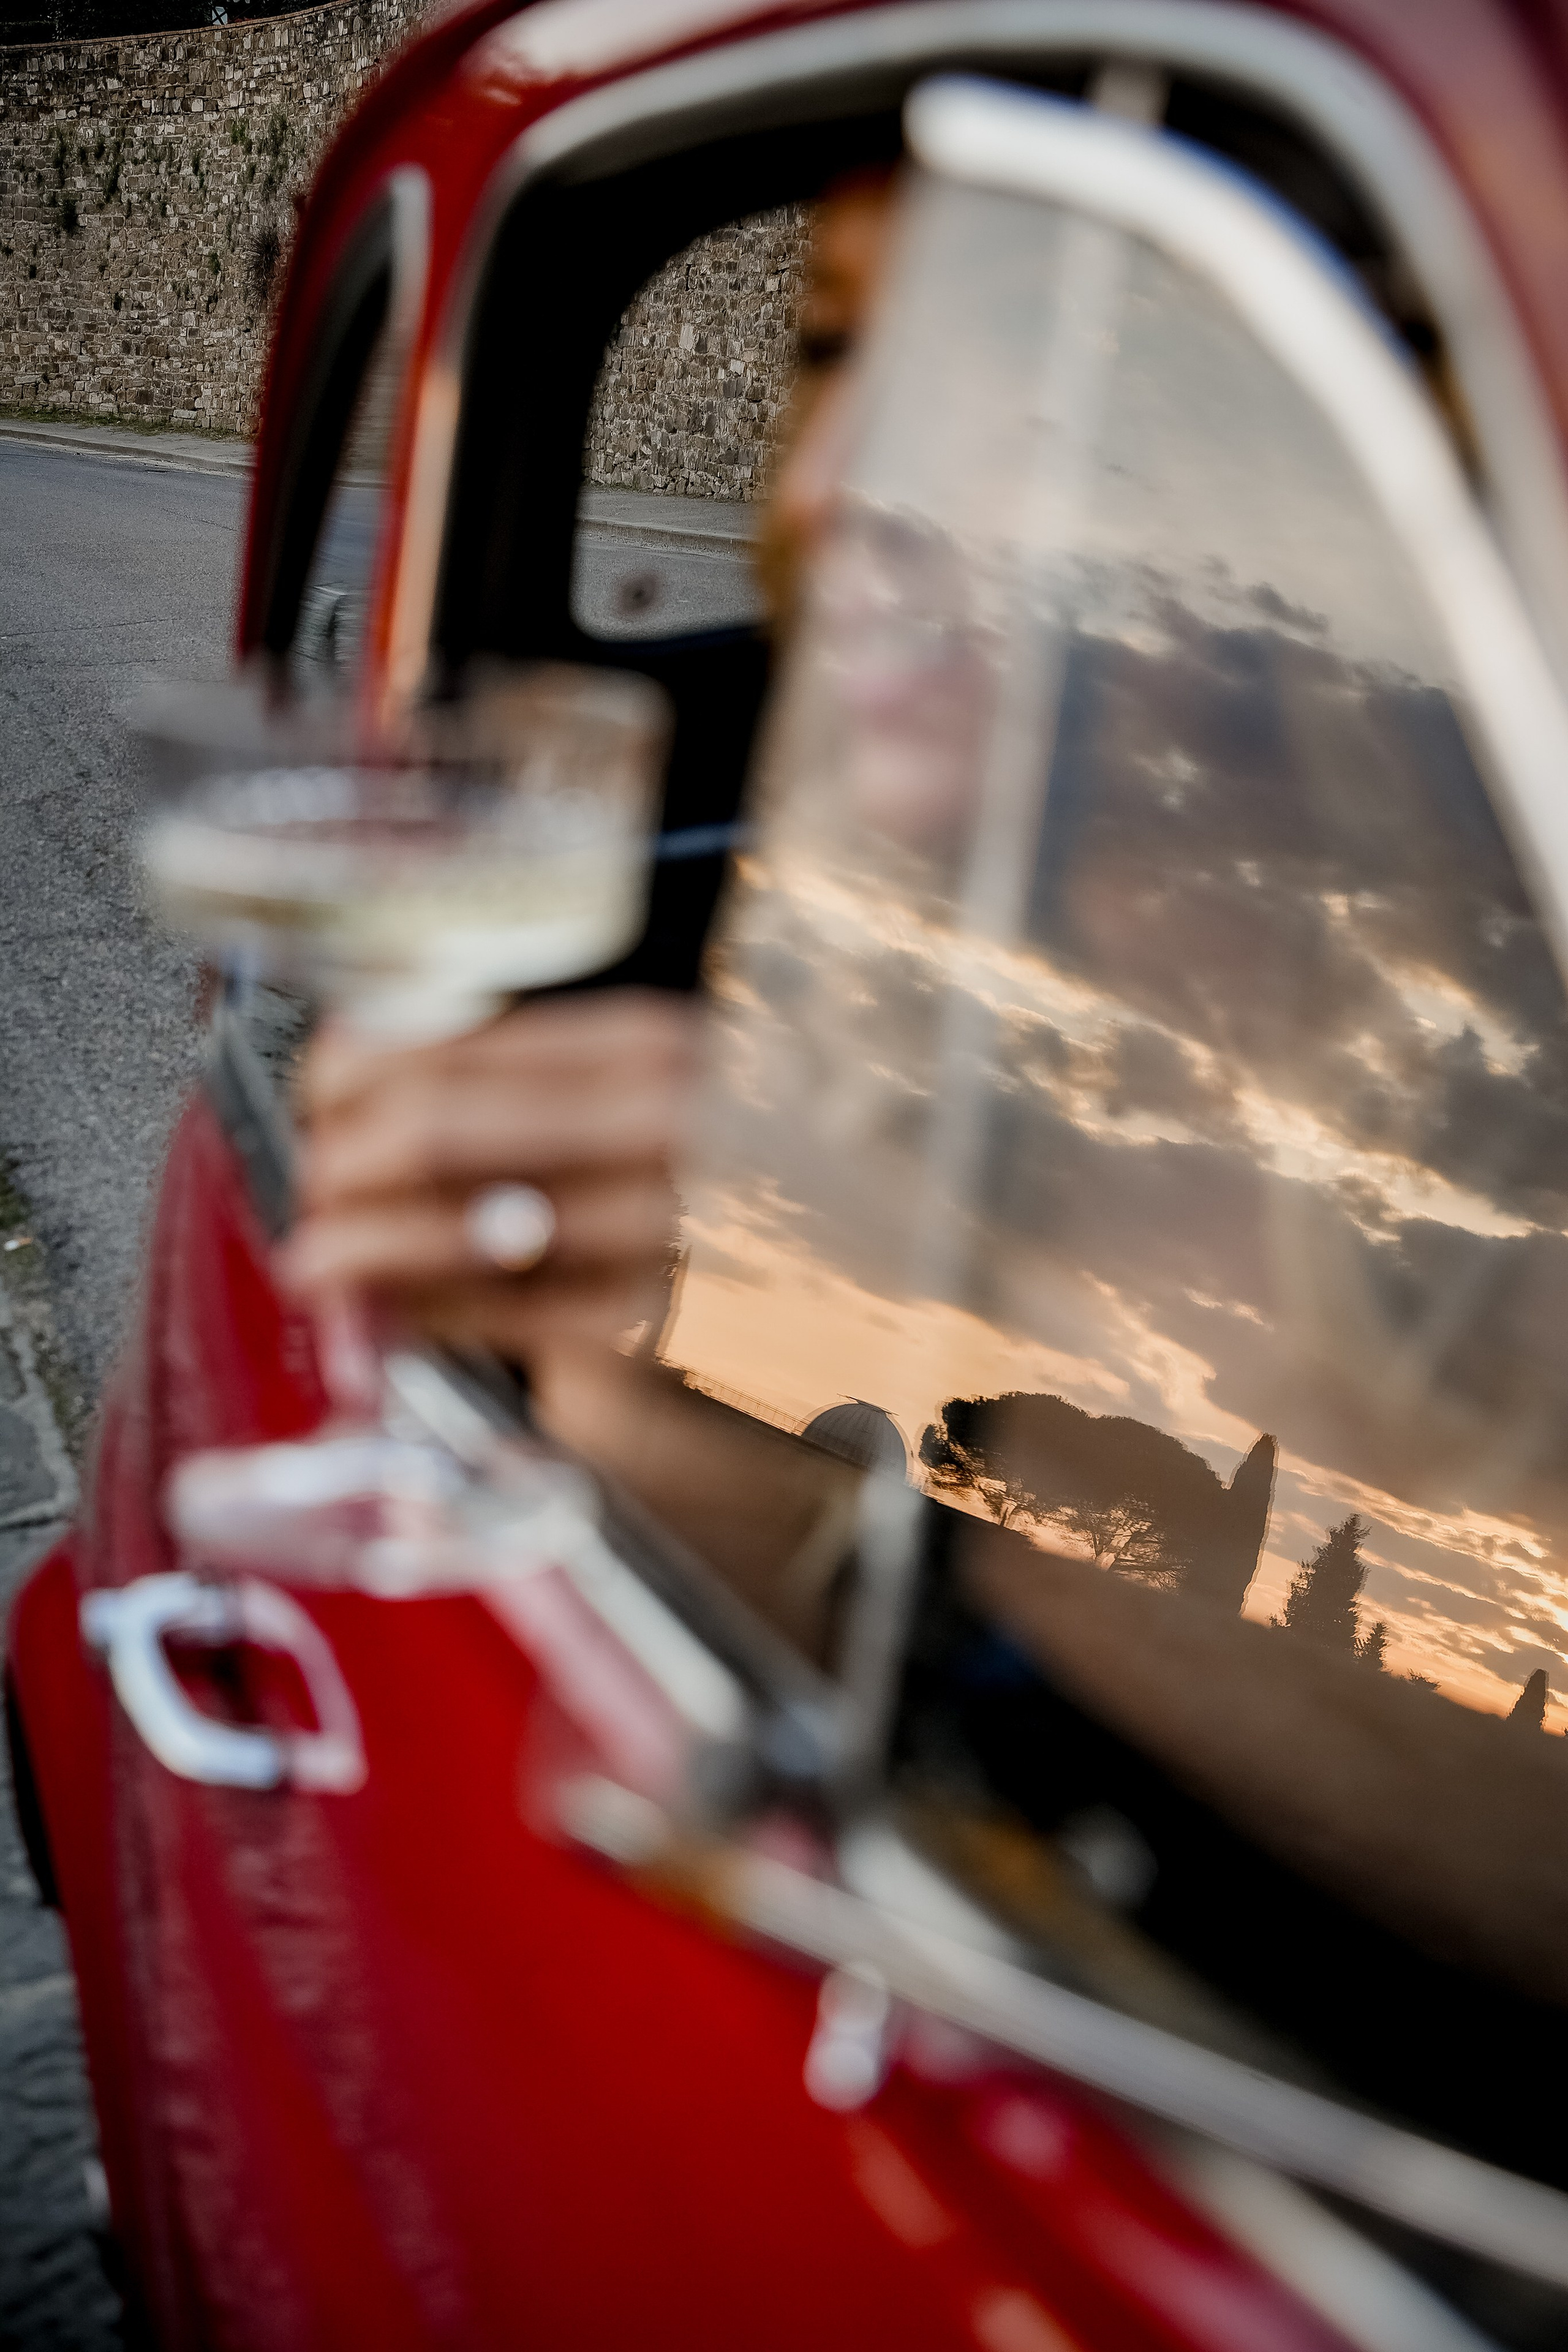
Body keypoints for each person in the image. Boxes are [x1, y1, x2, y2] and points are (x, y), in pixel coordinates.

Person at [279, 160, 1568, 2190]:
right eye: (831, 352)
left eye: (1030, 375)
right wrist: (655, 1367)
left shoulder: (1513, 1059)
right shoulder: (899, 993)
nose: (846, 486)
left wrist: (929, 1371)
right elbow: (705, 1807)